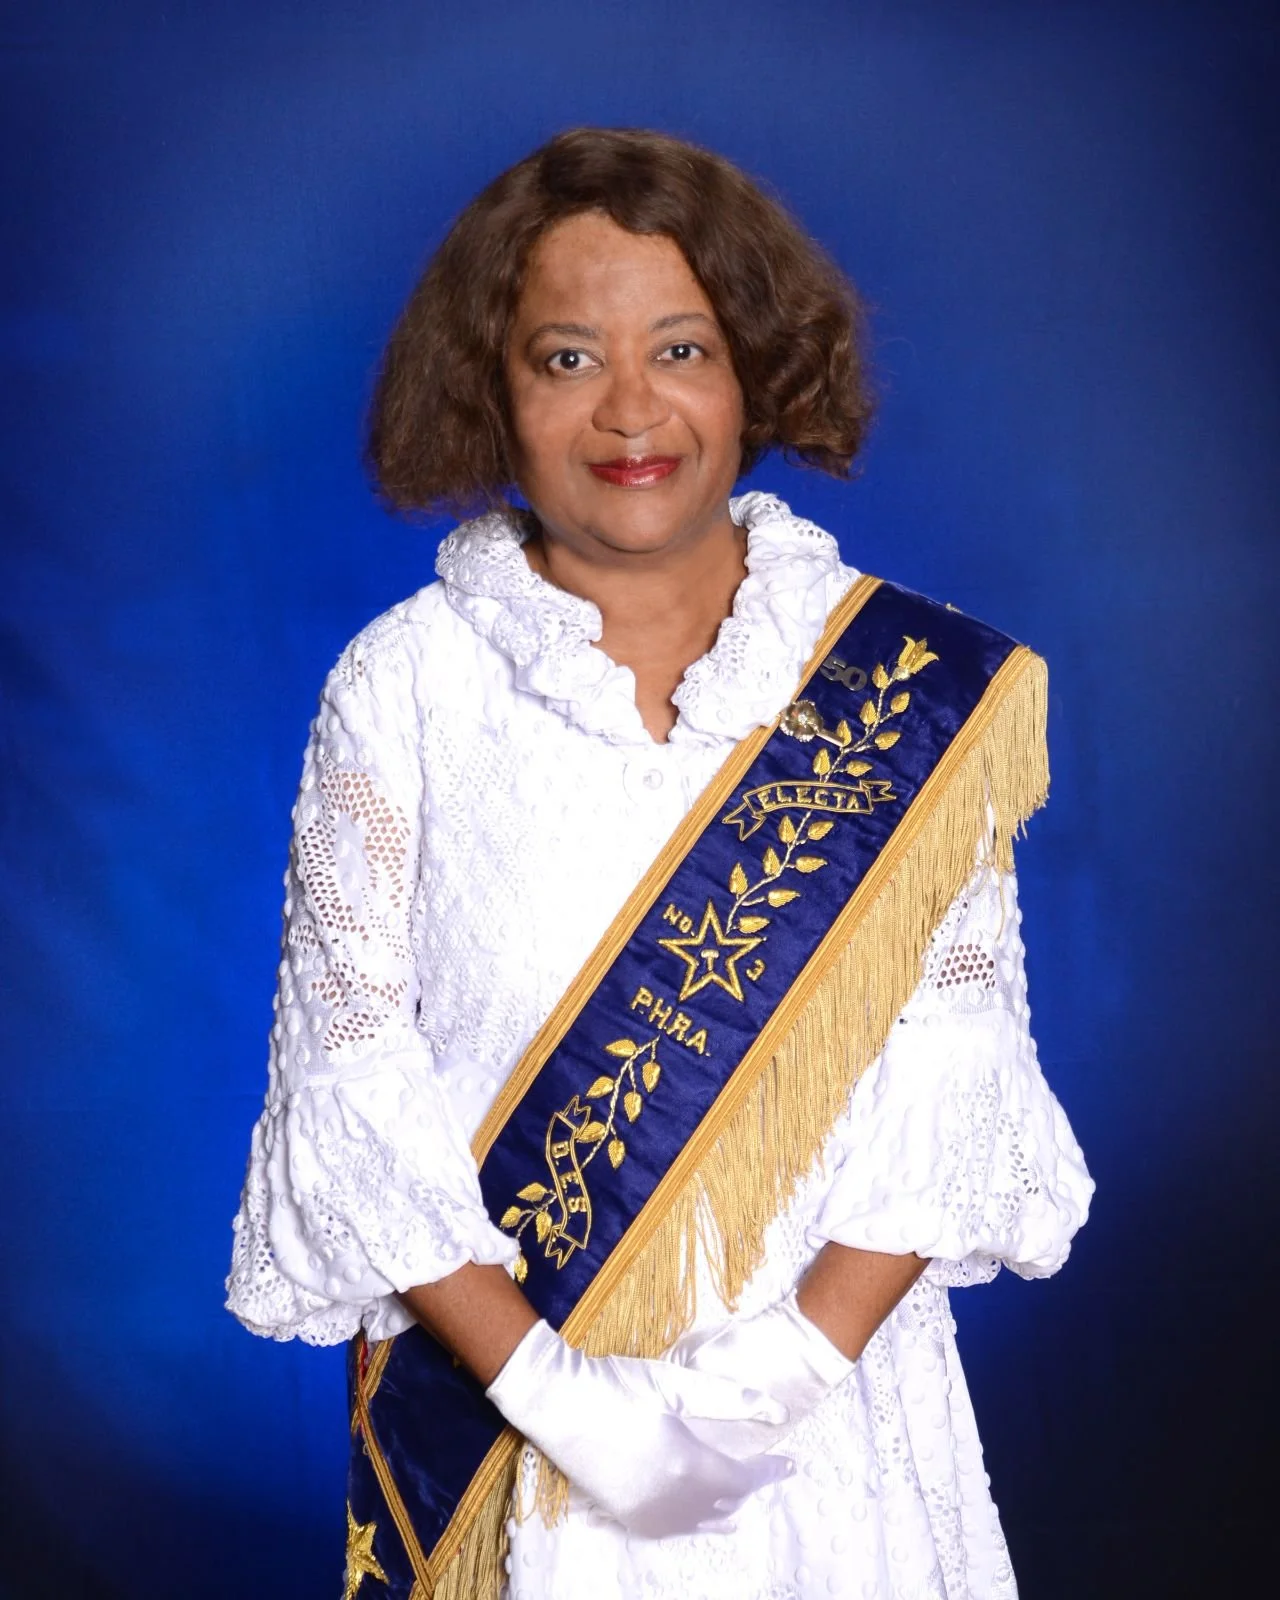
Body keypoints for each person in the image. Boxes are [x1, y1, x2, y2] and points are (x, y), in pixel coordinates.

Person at [226, 127, 1093, 1600]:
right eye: (567, 359)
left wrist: (771, 1383)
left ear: (754, 370)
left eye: (681, 349)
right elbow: (349, 1080)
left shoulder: (899, 690)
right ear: (491, 392)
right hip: (517, 1438)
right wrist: (568, 1405)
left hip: (830, 1434)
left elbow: (954, 1074)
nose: (631, 409)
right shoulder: (405, 686)